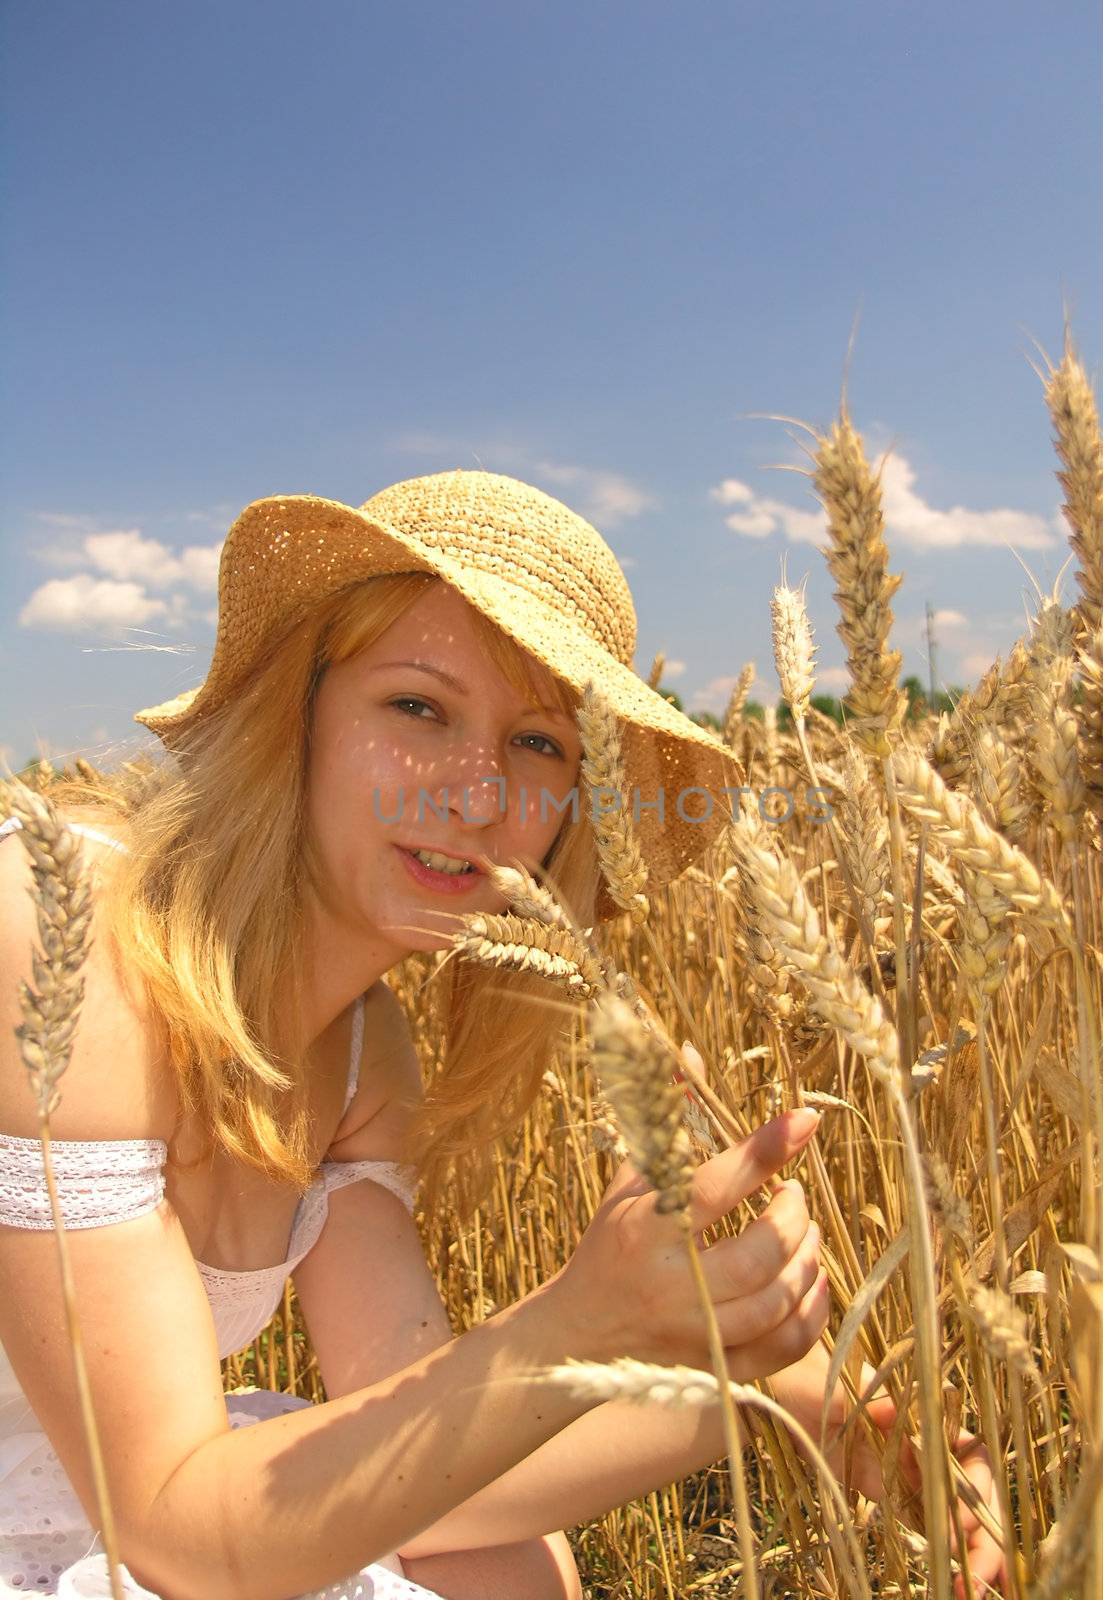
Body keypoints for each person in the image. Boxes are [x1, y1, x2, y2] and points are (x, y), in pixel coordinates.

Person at [0, 470, 1003, 1598]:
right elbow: (176, 1526)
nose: (477, 795)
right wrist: (574, 1318)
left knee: (513, 1570)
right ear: (301, 712)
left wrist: (752, 1389)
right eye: (418, 707)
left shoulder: (366, 1057)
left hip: (131, 1523)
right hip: (131, 1526)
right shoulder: (62, 938)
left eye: (537, 744)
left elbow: (440, 1467)